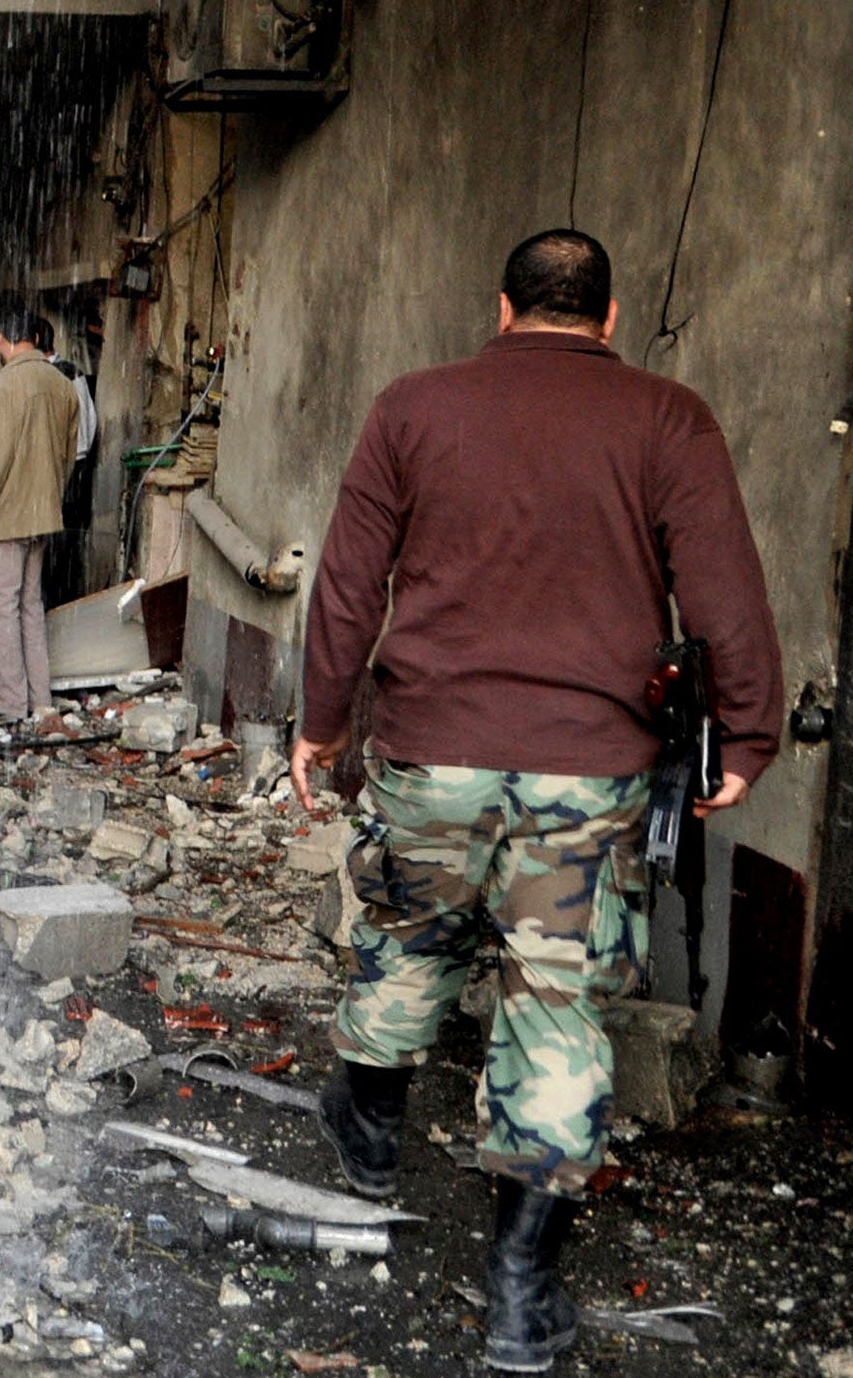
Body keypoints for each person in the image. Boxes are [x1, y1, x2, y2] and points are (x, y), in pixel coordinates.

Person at [288, 230, 782, 1374]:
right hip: (579, 773)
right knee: (552, 1004)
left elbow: (350, 580)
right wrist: (745, 736)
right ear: (607, 320)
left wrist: (321, 723)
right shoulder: (667, 419)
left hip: (430, 751)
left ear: (500, 307)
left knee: (407, 940)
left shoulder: (413, 406)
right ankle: (517, 1293)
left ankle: (365, 1138)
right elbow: (721, 586)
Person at [0, 304, 77, 730]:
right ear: (37, 338)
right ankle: (40, 698)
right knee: (30, 607)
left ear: (0, 339)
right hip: (42, 516)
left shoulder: (4, 386)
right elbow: (68, 457)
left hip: (3, 518)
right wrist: (48, 498)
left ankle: (9, 702)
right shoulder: (62, 385)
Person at [37, 314, 100, 606]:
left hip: (58, 474)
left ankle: (52, 606)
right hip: (72, 472)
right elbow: (88, 429)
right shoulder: (74, 373)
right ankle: (59, 604)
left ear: (35, 341)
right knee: (63, 551)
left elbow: (82, 436)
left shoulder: (49, 376)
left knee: (51, 550)